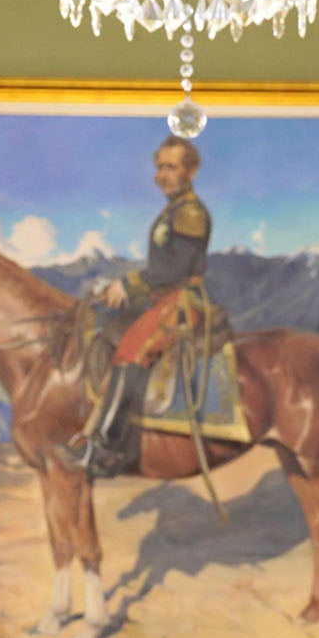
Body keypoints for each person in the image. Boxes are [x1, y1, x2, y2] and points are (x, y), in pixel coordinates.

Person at [60, 134, 213, 480]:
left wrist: (128, 285)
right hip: (162, 298)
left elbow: (176, 268)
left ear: (190, 172)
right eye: (159, 167)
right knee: (103, 327)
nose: (162, 175)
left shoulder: (190, 213)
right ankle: (92, 422)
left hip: (183, 301)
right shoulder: (173, 209)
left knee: (133, 349)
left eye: (171, 167)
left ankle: (106, 448)